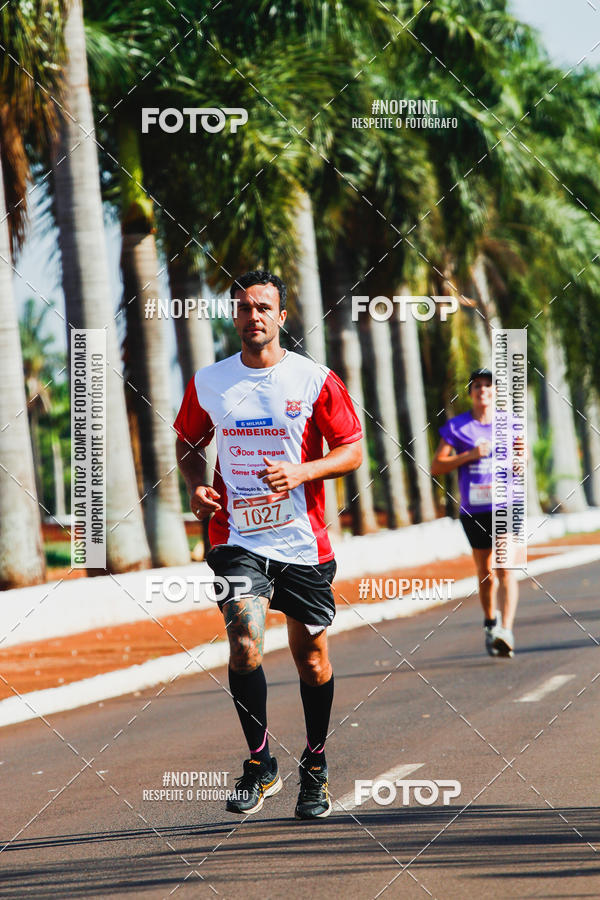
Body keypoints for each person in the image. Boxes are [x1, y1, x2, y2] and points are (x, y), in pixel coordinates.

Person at [174, 270, 362, 819]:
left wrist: (303, 471)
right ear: (234, 317)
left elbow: (351, 449)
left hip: (304, 543)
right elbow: (188, 442)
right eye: (244, 307)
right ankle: (259, 763)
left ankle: (316, 763)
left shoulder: (313, 379)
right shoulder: (210, 381)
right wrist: (196, 487)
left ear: (282, 317)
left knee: (312, 658)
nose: (253, 315)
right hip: (236, 537)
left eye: (264, 307)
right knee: (245, 642)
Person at [430, 369, 520, 657]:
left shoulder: (510, 423)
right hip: (474, 509)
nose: (483, 390)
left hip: (505, 504)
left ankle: (506, 630)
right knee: (486, 573)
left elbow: (522, 453)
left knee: (505, 567)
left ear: (496, 393)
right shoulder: (458, 427)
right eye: (478, 386)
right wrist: (469, 455)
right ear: (470, 393)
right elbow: (437, 466)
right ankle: (490, 622)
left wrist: (519, 461)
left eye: (489, 386)